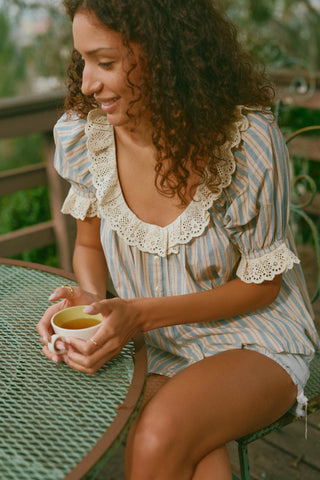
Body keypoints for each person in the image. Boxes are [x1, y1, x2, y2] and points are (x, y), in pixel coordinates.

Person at [37, 1, 320, 479]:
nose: (87, 83)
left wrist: (138, 314)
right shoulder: (86, 135)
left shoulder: (247, 141)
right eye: (83, 60)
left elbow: (263, 288)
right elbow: (88, 246)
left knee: (157, 432)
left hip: (254, 335)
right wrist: (91, 298)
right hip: (155, 339)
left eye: (105, 63)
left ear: (166, 57)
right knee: (176, 444)